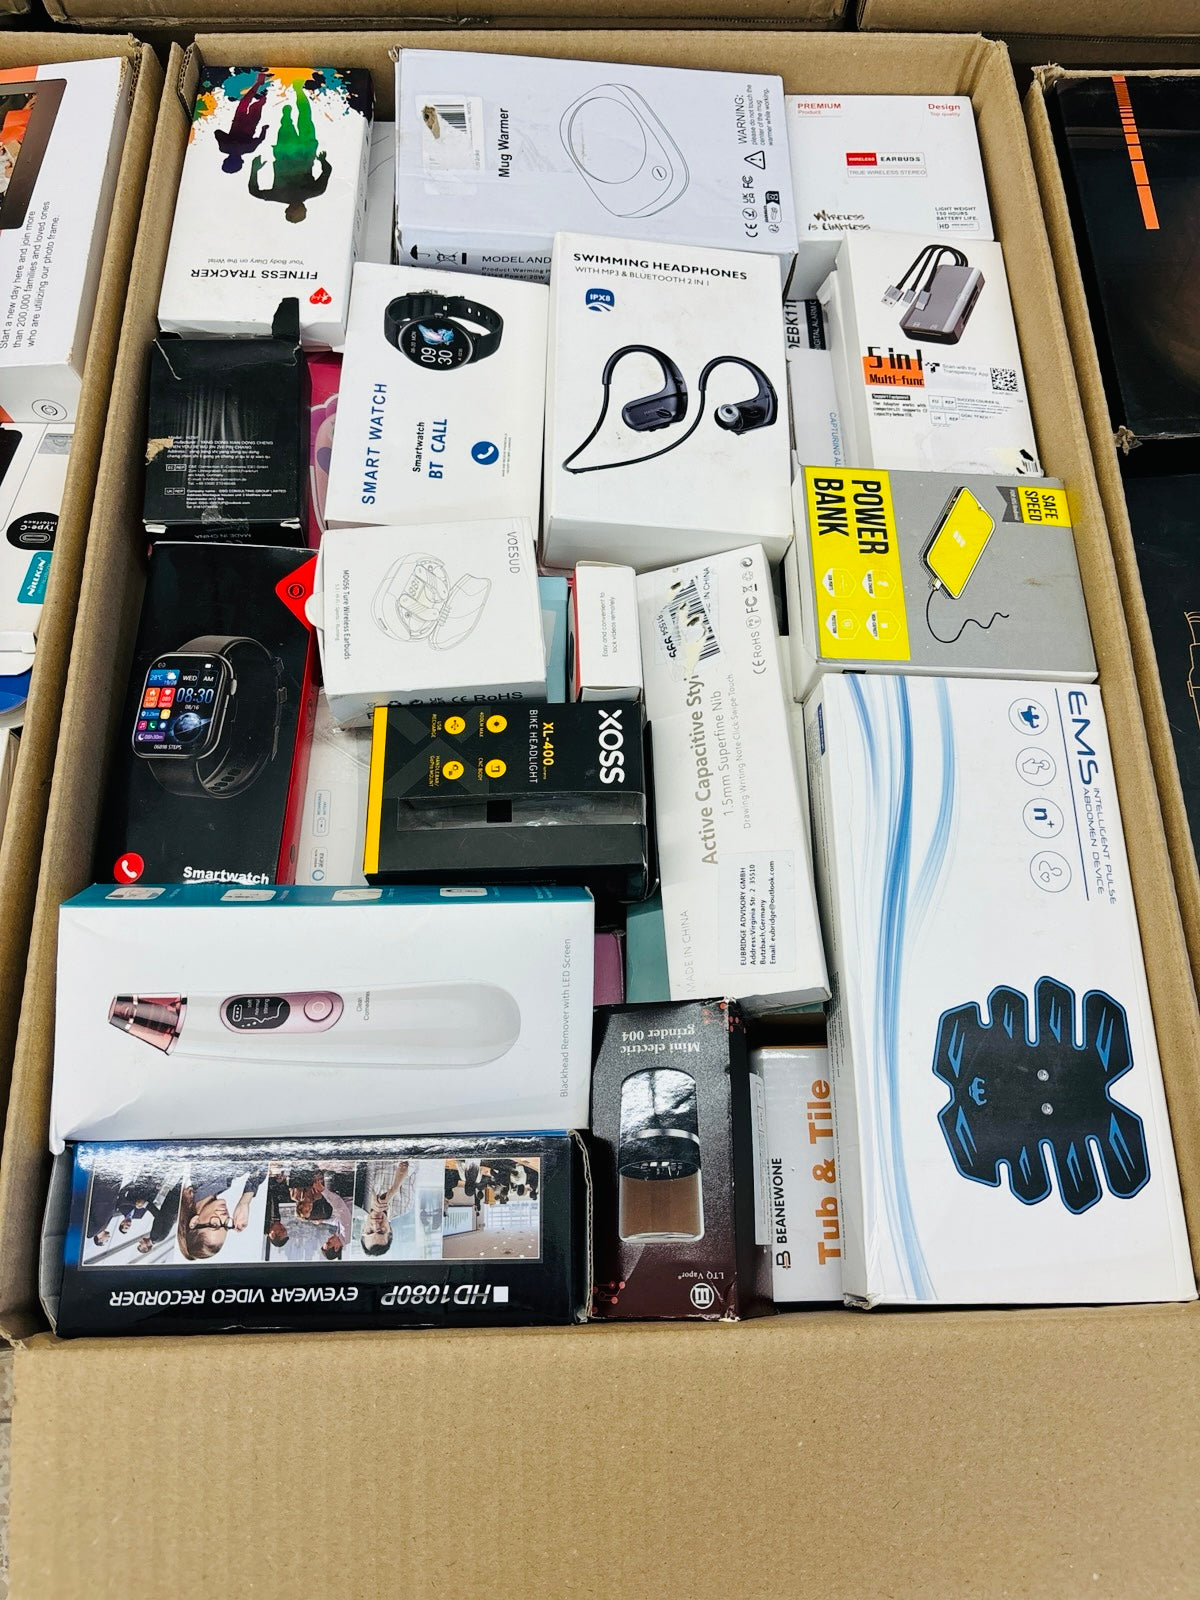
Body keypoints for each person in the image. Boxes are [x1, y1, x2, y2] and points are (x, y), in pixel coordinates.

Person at [249, 83, 330, 224]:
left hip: (301, 151)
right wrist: (255, 169)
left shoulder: (314, 191)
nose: (287, 211)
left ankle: (295, 97)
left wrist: (323, 160)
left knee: (304, 118)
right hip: (290, 152)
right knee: (300, 120)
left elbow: (327, 170)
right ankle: (291, 107)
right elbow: (254, 192)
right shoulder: (281, 195)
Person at [177, 1168, 264, 1262]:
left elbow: (260, 1163)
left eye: (215, 1225)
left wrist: (246, 1199)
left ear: (194, 1222)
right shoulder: (213, 1185)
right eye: (225, 1225)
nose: (224, 1217)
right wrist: (244, 1201)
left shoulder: (210, 1178)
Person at [214, 71, 269, 175]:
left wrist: (229, 140)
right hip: (247, 122)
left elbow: (217, 132)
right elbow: (217, 133)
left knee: (249, 102)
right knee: (253, 104)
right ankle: (261, 89)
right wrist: (264, 129)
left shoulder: (227, 147)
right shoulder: (227, 148)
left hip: (241, 121)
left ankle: (259, 85)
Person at [359, 1161, 414, 1257]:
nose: (376, 1225)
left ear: (363, 1229)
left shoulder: (358, 1204)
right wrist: (393, 1190)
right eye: (381, 1231)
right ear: (390, 1230)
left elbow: (358, 1165)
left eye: (370, 1231)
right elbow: (411, 1163)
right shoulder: (405, 1206)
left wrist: (368, 1194)